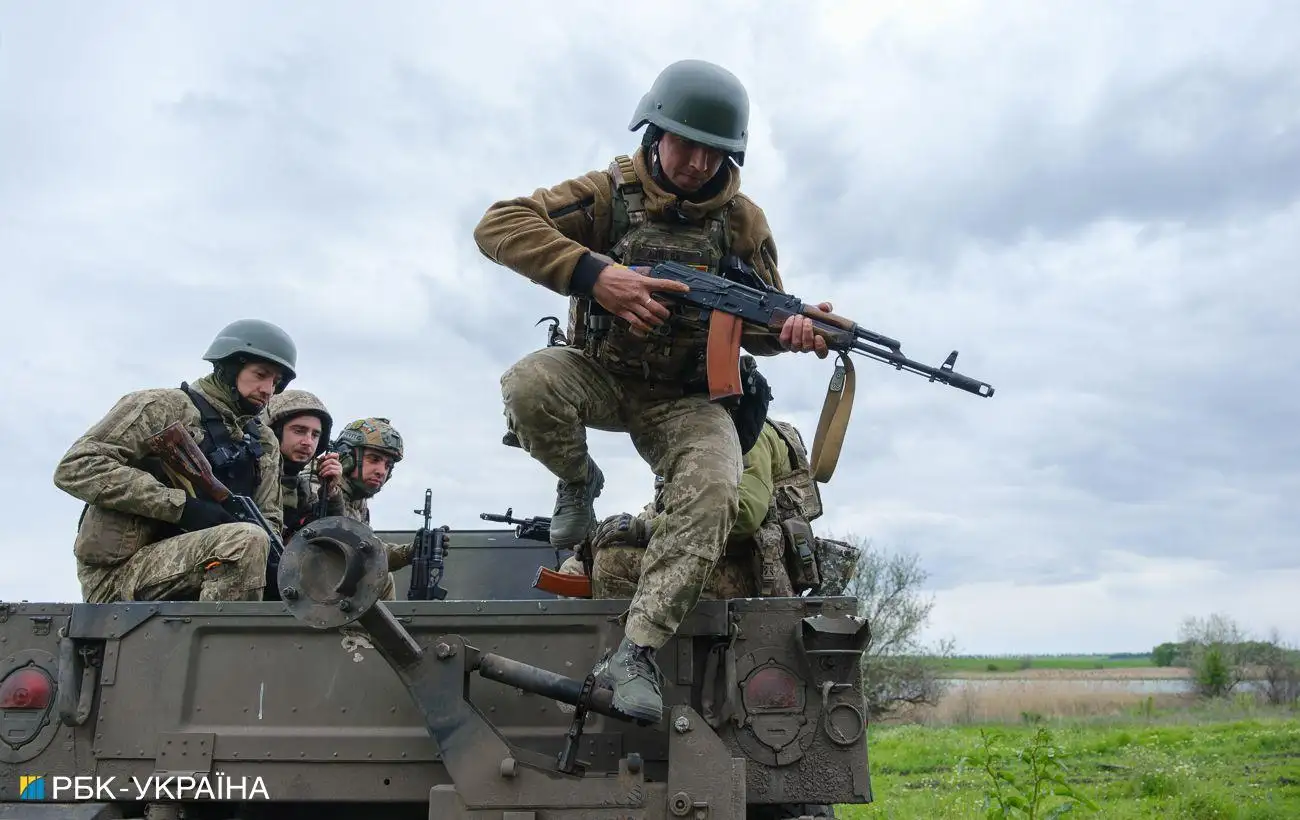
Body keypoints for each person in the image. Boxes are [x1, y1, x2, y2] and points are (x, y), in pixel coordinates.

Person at [474, 58, 834, 724]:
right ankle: (578, 482)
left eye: (715, 151)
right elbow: (499, 225)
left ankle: (637, 651)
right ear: (654, 131)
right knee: (527, 385)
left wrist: (790, 333)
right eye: (685, 142)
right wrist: (594, 275)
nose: (698, 162)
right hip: (601, 375)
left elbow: (754, 321)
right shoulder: (609, 193)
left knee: (717, 489)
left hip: (686, 398)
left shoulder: (742, 223)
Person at [53, 319, 294, 603]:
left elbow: (269, 521)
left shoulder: (263, 441)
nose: (268, 389)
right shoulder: (163, 407)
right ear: (229, 367)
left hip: (207, 565)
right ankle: (219, 646)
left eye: (276, 382)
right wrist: (182, 507)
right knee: (244, 541)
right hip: (119, 576)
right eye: (260, 374)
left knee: (268, 553)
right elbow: (78, 466)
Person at [318, 417, 416, 601]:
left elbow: (366, 546)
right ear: (346, 457)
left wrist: (412, 551)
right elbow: (357, 548)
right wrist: (406, 553)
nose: (381, 471)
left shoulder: (357, 499)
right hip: (313, 579)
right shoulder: (321, 483)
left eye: (388, 465)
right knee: (380, 577)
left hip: (330, 580)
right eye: (374, 459)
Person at [266, 389, 343, 542]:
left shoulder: (302, 490)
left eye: (315, 435)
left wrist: (331, 493)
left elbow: (332, 538)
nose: (308, 442)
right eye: (299, 431)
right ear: (275, 432)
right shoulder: (251, 472)